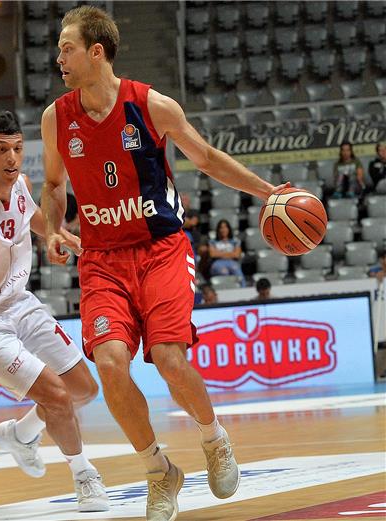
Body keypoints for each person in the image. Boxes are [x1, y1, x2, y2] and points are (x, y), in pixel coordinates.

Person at [40, 6, 287, 519]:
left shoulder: (151, 105)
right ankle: (160, 472)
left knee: (172, 360)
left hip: (161, 250)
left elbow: (207, 158)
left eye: (66, 47)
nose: (58, 56)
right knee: (109, 365)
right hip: (103, 258)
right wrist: (53, 227)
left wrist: (268, 193)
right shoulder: (56, 117)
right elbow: (52, 184)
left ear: (96, 52)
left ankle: (213, 438)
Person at [0, 112, 109, 512]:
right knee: (58, 396)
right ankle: (85, 476)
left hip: (16, 302)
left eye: (17, 148)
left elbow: (39, 222)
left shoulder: (22, 185)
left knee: (84, 389)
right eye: (1, 149)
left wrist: (60, 238)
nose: (11, 158)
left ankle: (22, 434)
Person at [209, 219, 244, 284]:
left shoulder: (235, 241)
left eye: (225, 227)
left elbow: (236, 255)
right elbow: (212, 254)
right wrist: (230, 254)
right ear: (218, 230)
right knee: (224, 272)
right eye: (221, 228)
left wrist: (219, 253)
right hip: (218, 263)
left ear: (229, 229)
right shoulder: (213, 242)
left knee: (237, 272)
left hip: (232, 262)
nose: (223, 230)